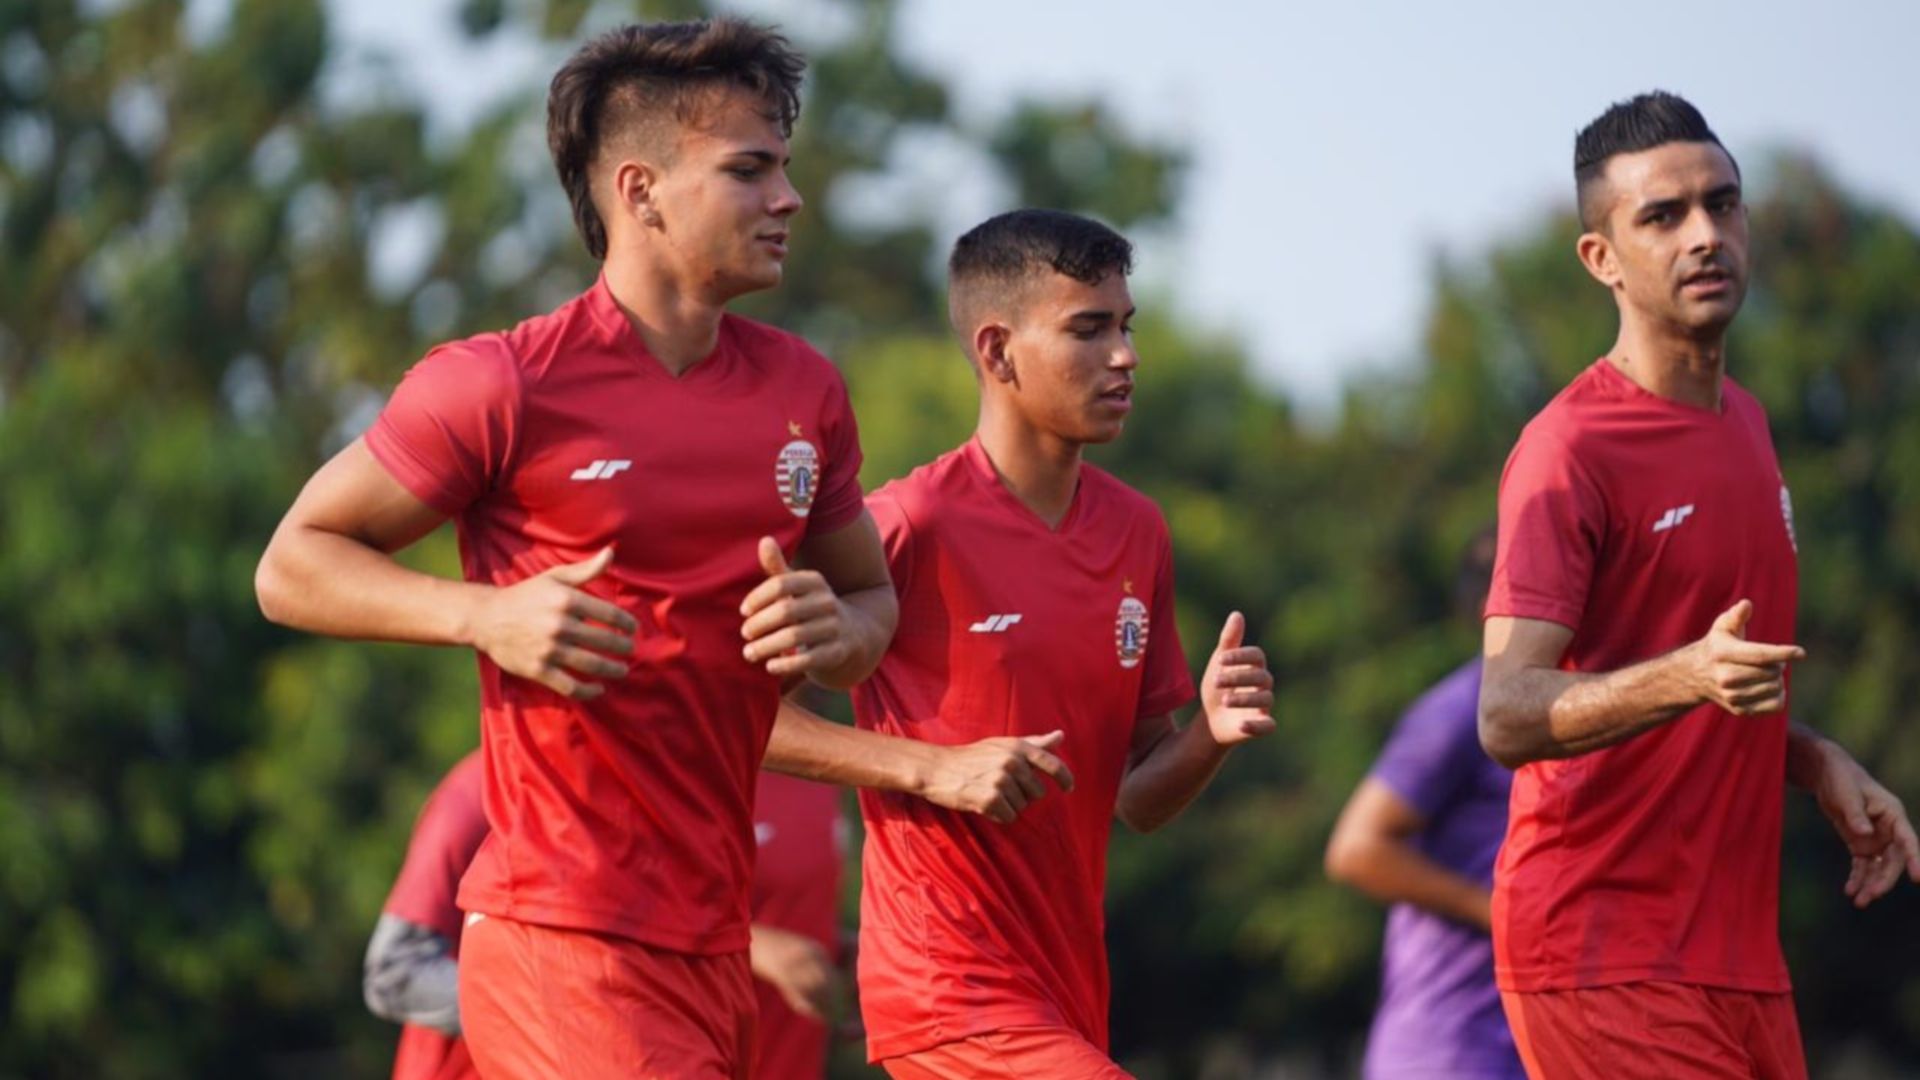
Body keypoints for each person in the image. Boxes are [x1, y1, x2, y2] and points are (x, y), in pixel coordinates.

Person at [255, 18, 897, 1078]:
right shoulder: (502, 383)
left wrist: (839, 632)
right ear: (639, 191)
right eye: (751, 170)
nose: (789, 199)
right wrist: (484, 615)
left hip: (711, 941)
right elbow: (290, 565)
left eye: (785, 168)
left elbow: (873, 607)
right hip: (562, 932)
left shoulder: (806, 394)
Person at [764, 209, 1276, 1079]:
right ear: (997, 352)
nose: (1126, 355)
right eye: (1089, 329)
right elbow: (746, 720)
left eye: (1126, 325)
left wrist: (1206, 738)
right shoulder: (906, 523)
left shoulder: (1138, 531)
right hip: (946, 988)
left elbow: (1137, 799)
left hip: (1067, 992)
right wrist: (932, 767)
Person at [1476, 91, 1920, 1079]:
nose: (1706, 235)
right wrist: (1692, 676)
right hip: (1600, 950)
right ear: (1602, 259)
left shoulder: (1752, 428)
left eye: (1724, 204)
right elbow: (1506, 714)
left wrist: (1807, 759)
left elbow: (1703, 672)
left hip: (1738, 959)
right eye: (1663, 217)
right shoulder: (1567, 450)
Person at [363, 754, 854, 1080]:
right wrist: (570, 1016)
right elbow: (395, 970)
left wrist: (849, 955)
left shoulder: (793, 769)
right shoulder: (486, 784)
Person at [1325, 530, 1525, 1080]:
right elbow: (1356, 849)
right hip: (1451, 1049)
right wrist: (1501, 914)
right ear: (1494, 607)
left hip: (1534, 1044)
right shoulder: (1458, 710)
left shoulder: (1575, 711)